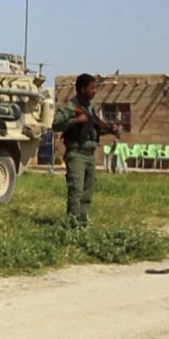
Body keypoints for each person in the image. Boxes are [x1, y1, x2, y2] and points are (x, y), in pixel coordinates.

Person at [52, 73, 121, 229]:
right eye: (92, 88)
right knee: (76, 191)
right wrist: (76, 120)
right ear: (82, 89)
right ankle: (73, 225)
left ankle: (83, 223)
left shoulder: (91, 107)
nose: (95, 91)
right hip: (76, 154)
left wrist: (110, 129)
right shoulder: (70, 107)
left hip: (90, 155)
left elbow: (94, 130)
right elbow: (56, 125)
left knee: (88, 193)